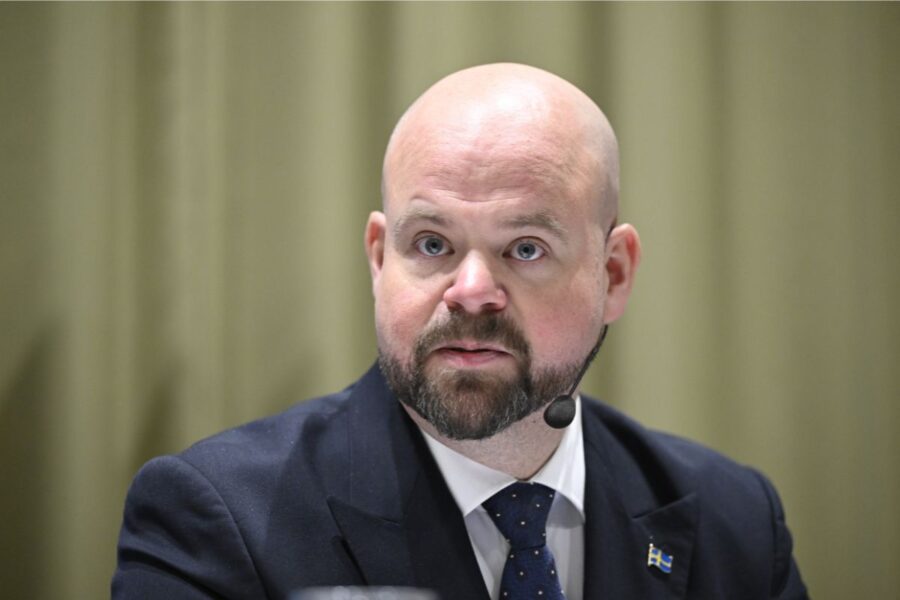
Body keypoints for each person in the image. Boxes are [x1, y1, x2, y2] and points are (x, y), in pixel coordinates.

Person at [112, 63, 808, 599]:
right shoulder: (217, 517)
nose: (471, 291)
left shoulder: (735, 523)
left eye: (525, 248)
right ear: (379, 259)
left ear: (614, 274)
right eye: (432, 244)